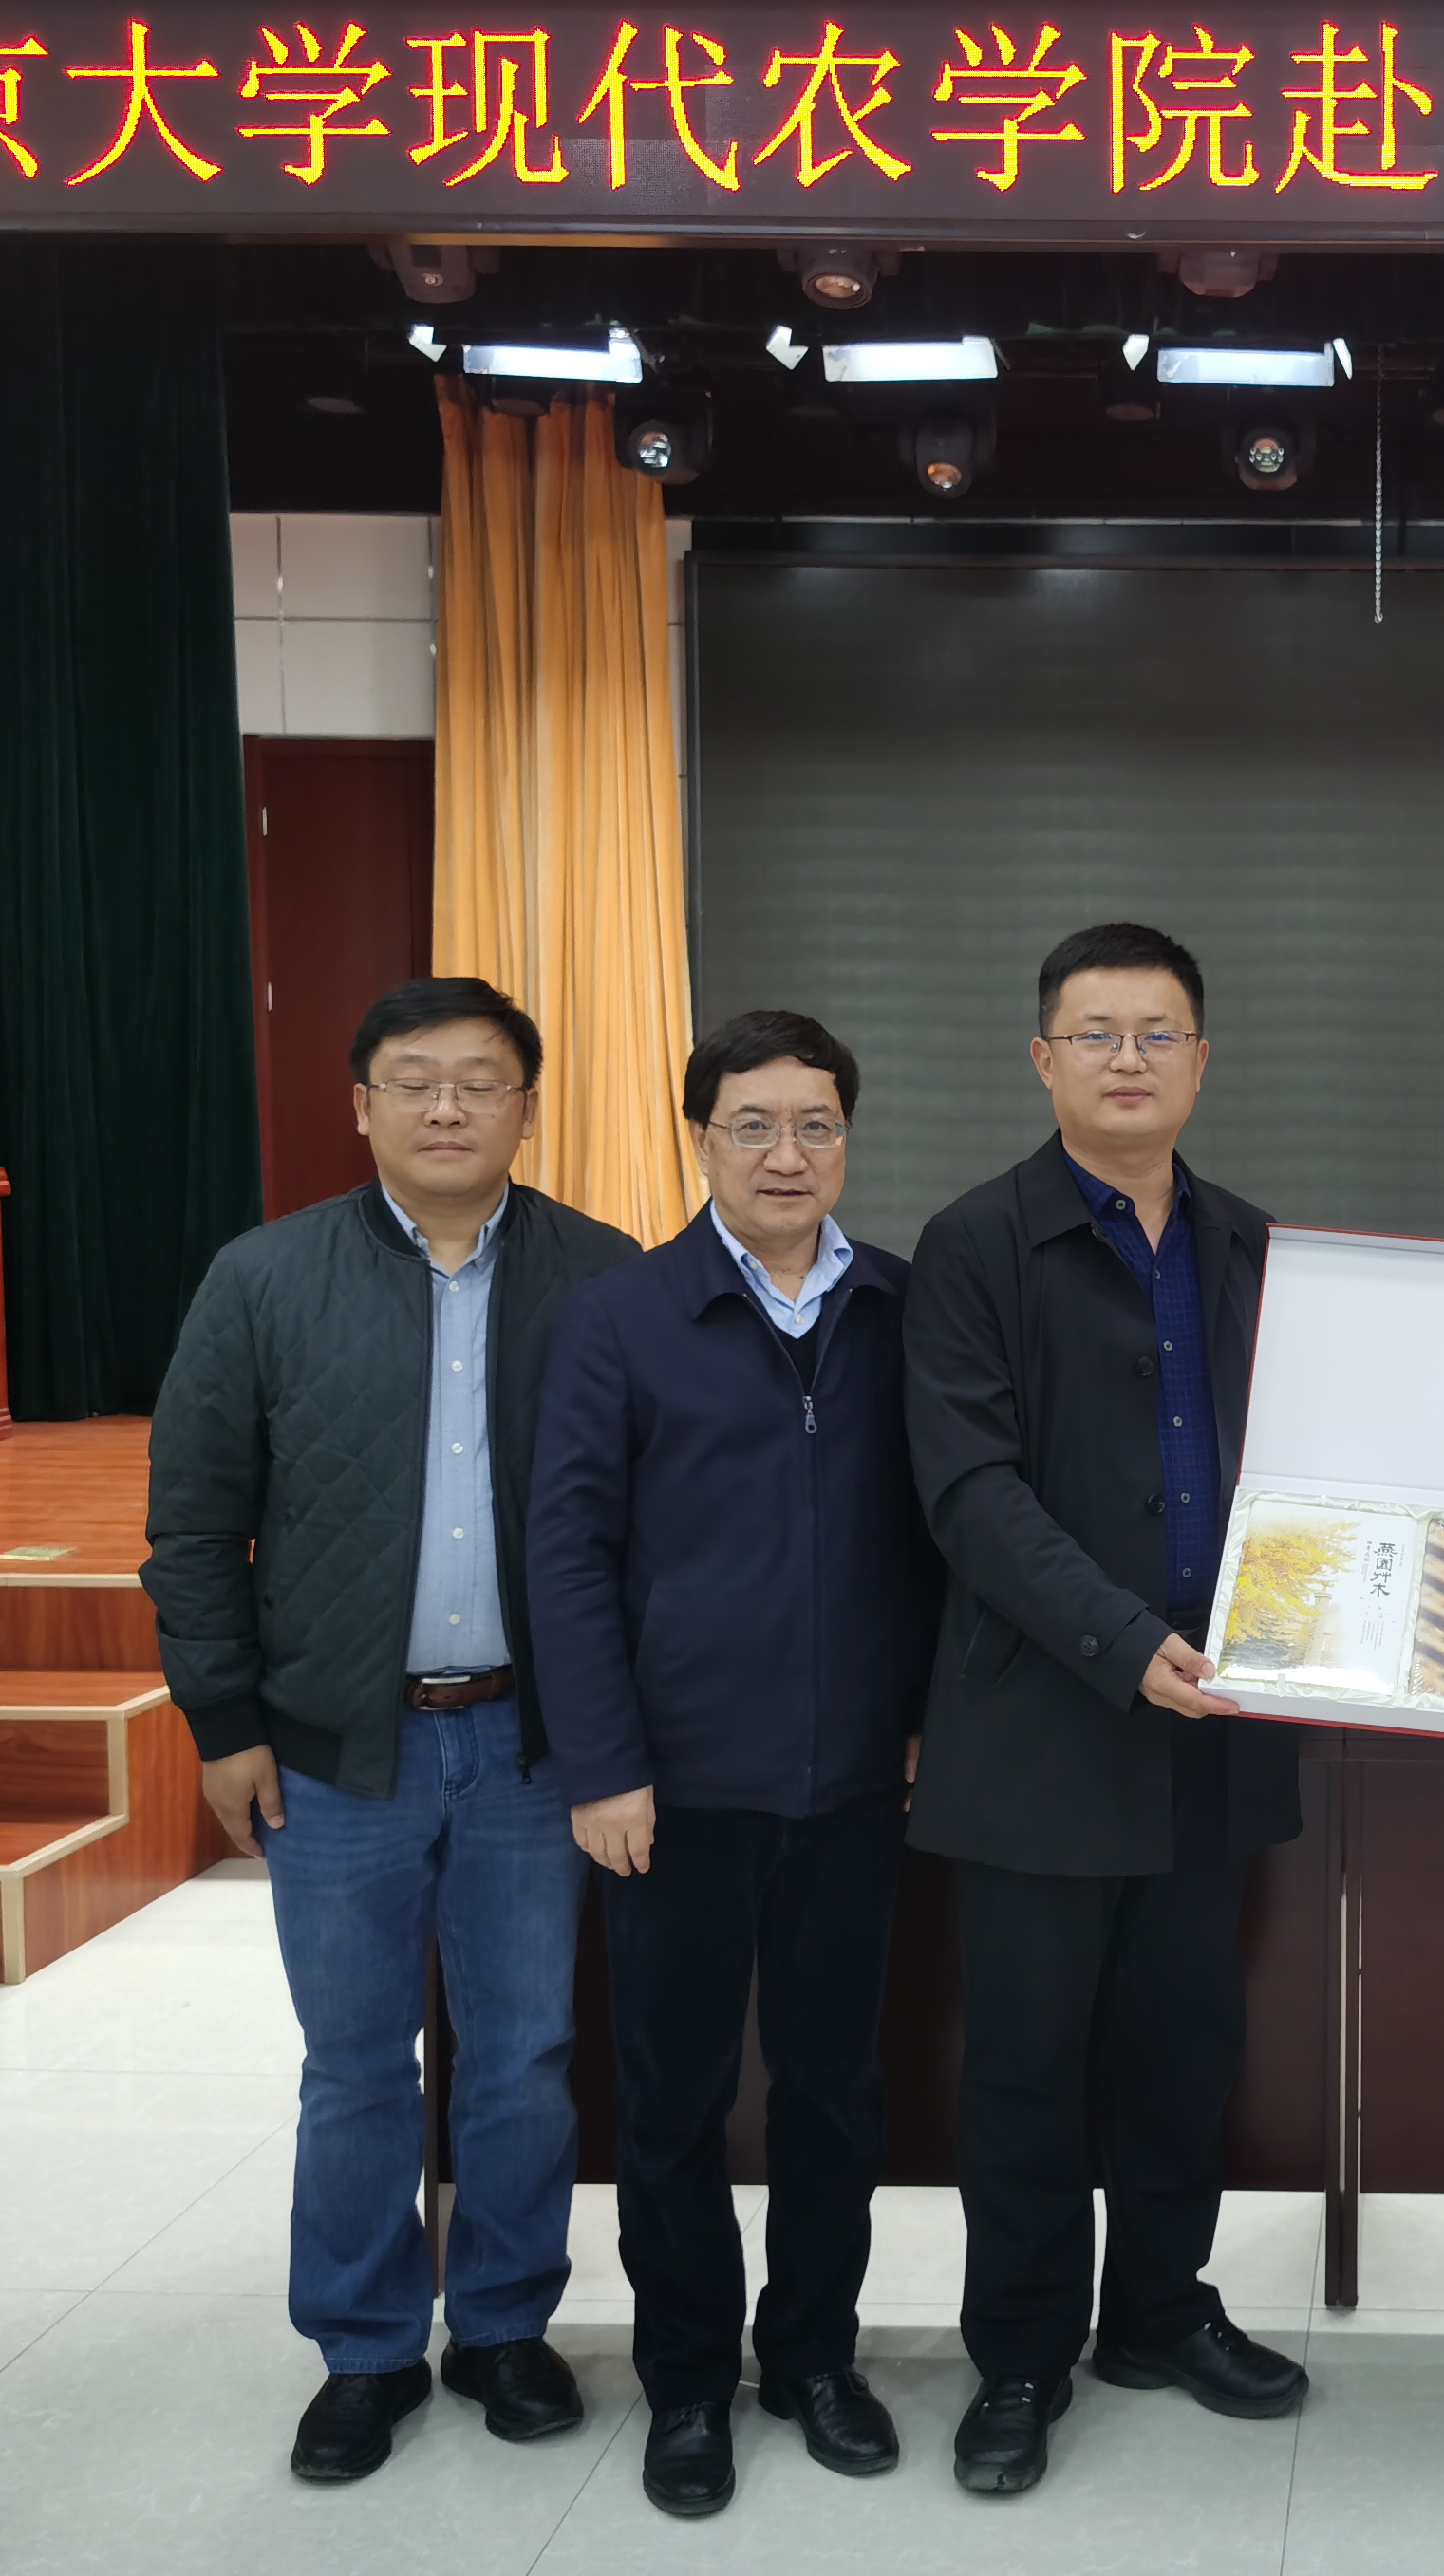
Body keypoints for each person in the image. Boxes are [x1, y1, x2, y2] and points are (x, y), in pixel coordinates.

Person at [142, 977, 639, 2482]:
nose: (446, 1107)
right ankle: (363, 2350)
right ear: (361, 1106)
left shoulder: (602, 1276)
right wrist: (224, 1719)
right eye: (414, 1080)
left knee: (525, 2055)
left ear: (527, 1108)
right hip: (334, 1749)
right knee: (357, 2063)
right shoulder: (263, 1279)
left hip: (532, 1746)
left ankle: (501, 2325)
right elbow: (194, 1525)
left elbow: (645, 1526)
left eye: (480, 1081)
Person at [903, 921, 1305, 2496]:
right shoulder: (973, 1245)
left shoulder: (1255, 1244)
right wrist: (1122, 1639)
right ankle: (1019, 2354)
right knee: (1022, 2065)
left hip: (1218, 1728)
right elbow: (969, 1491)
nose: (1128, 1059)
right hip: (1042, 1729)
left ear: (1201, 1060)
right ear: (1043, 1059)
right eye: (1097, 1033)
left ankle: (1157, 2310)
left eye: (1157, 1034)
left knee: (1182, 2049)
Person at [526, 1009, 944, 2519]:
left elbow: (942, 1536)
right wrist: (602, 1764)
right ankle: (690, 2380)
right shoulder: (622, 1316)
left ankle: (816, 2357)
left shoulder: (902, 1306)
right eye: (752, 1125)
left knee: (834, 2095)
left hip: (857, 1788)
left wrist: (923, 1714)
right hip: (676, 1793)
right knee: (674, 2103)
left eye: (815, 1124)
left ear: (848, 1139)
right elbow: (568, 1554)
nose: (786, 1154)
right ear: (699, 1137)